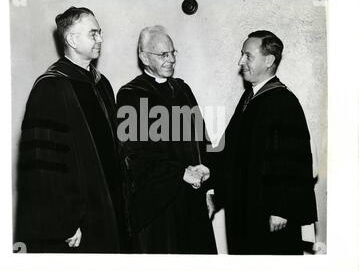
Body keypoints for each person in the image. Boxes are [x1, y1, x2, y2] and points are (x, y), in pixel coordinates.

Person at [15, 7, 129, 253]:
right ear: (72, 40)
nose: (100, 39)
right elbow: (43, 167)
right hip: (80, 219)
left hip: (111, 206)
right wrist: (65, 221)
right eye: (93, 33)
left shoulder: (102, 84)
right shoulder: (50, 88)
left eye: (100, 33)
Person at [213, 30, 318, 254]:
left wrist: (281, 209)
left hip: (270, 216)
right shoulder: (249, 98)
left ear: (269, 60)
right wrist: (208, 175)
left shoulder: (284, 102)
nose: (240, 61)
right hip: (244, 210)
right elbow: (230, 149)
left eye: (247, 56)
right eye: (242, 54)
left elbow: (295, 159)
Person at [116, 26, 217, 254]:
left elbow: (201, 139)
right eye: (163, 54)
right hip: (159, 204)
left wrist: (209, 189)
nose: (171, 59)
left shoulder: (182, 89)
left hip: (192, 198)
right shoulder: (131, 95)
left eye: (173, 53)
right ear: (144, 57)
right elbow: (133, 153)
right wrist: (179, 172)